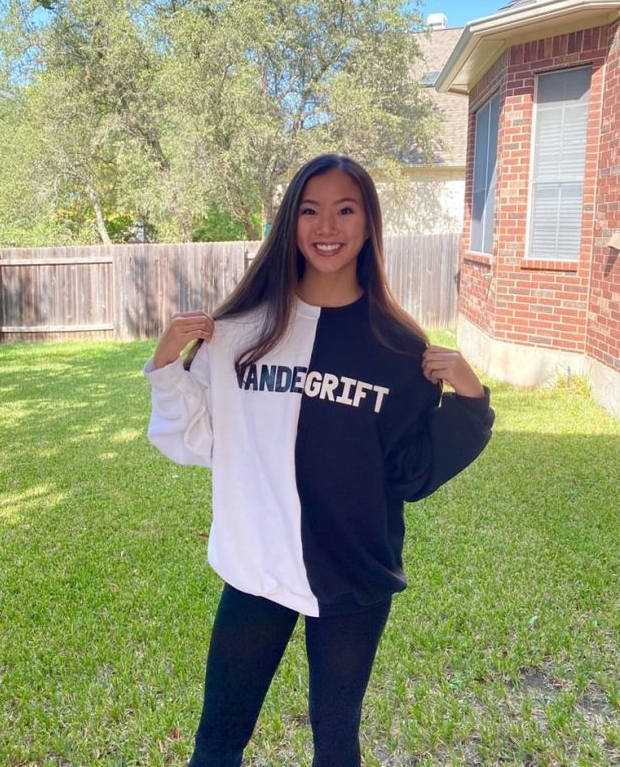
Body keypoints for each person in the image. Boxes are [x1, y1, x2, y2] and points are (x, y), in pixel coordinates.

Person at [143, 153, 494, 767]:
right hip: (256, 571)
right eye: (310, 209)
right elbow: (192, 441)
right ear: (291, 222)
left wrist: (469, 402)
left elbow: (410, 474)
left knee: (335, 743)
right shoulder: (239, 332)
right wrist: (168, 361)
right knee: (217, 740)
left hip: (352, 576)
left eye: (344, 208)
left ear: (367, 223)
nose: (326, 224)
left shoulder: (397, 346)